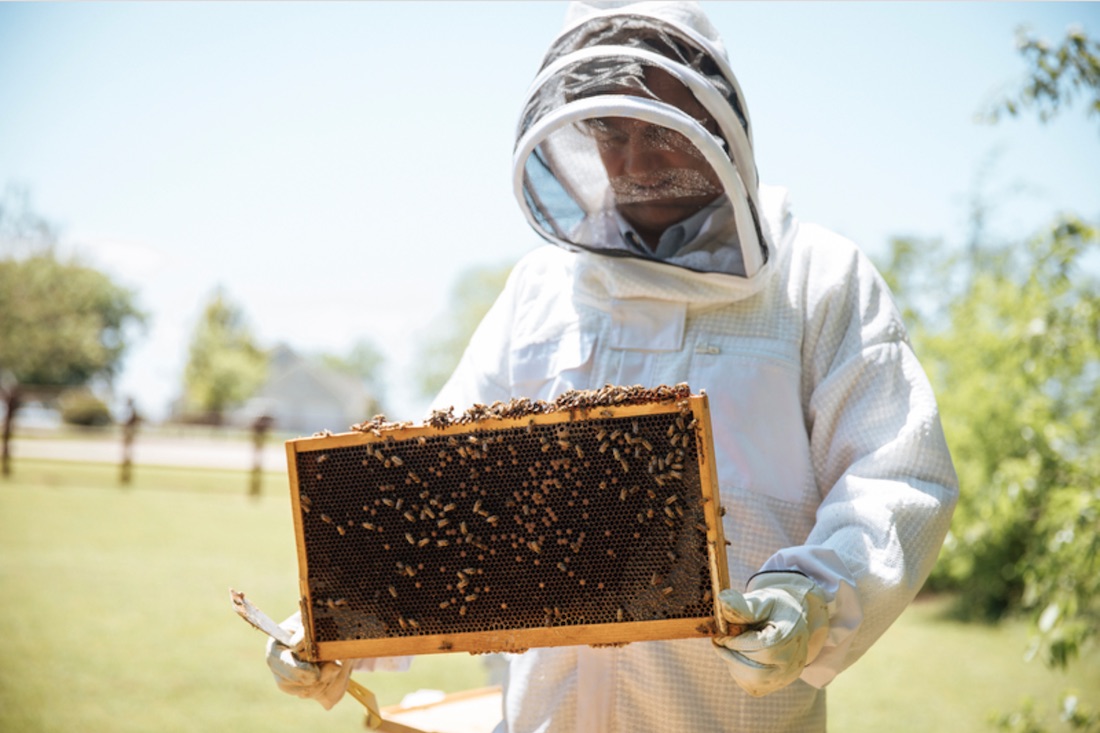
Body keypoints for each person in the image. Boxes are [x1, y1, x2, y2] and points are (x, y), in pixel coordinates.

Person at [266, 2, 958, 730]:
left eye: (659, 128)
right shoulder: (540, 291)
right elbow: (439, 494)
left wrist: (814, 599)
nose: (633, 162)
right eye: (608, 132)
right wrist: (341, 612)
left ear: (717, 118)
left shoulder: (818, 279)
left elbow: (897, 473)